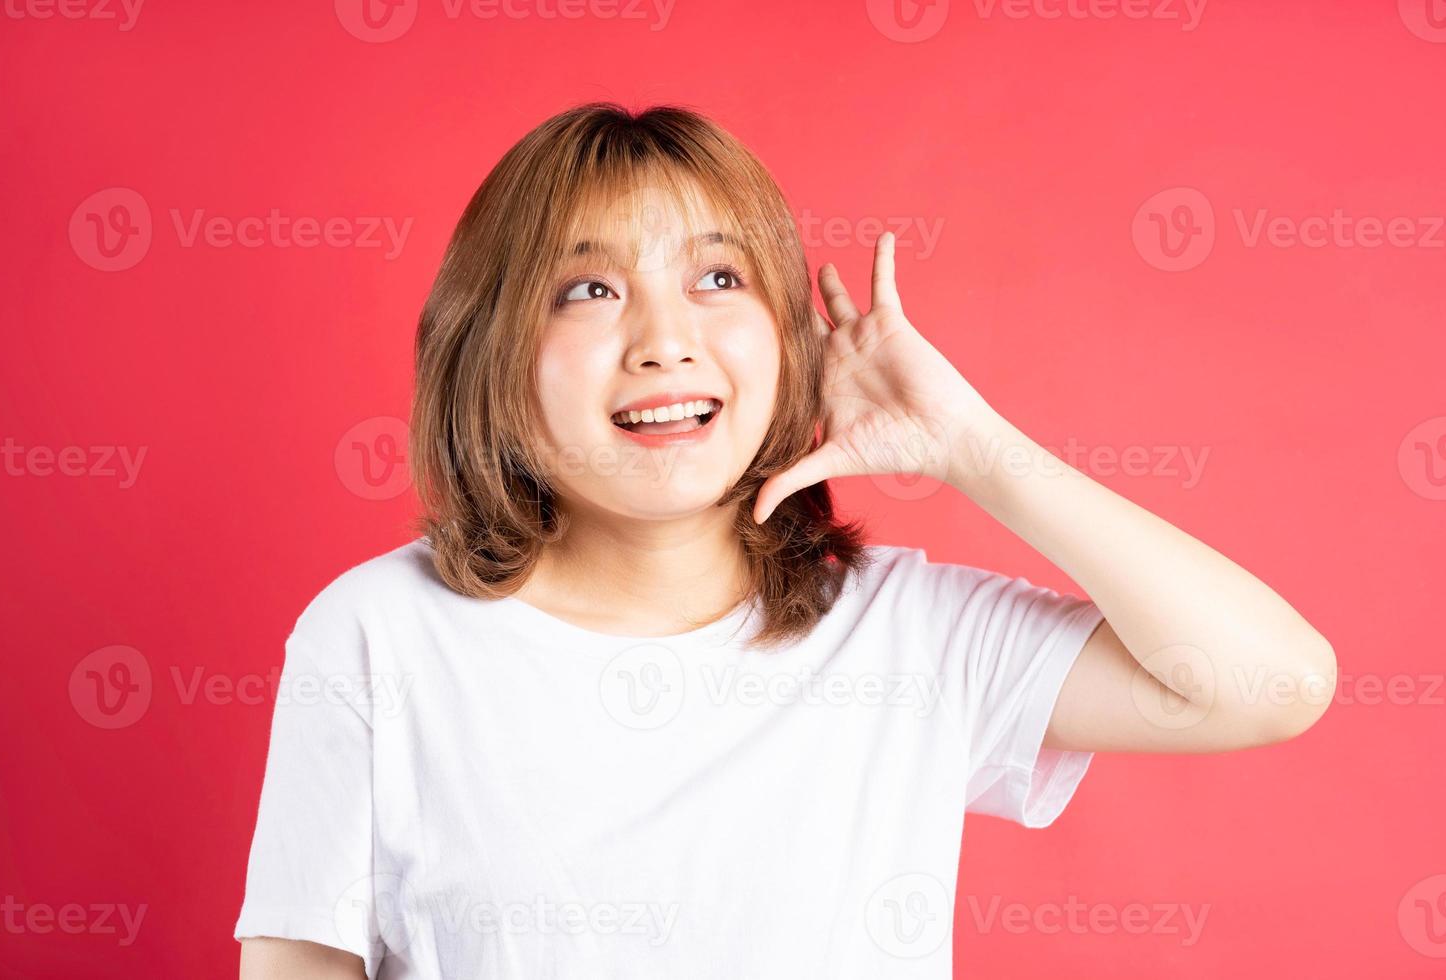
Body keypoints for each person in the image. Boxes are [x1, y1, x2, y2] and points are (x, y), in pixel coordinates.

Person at [234, 103, 1336, 979]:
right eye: (589, 288)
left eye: (718, 278)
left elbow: (1269, 682)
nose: (665, 341)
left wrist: (971, 445)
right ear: (489, 351)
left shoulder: (907, 634)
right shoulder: (377, 635)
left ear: (784, 337)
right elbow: (298, 963)